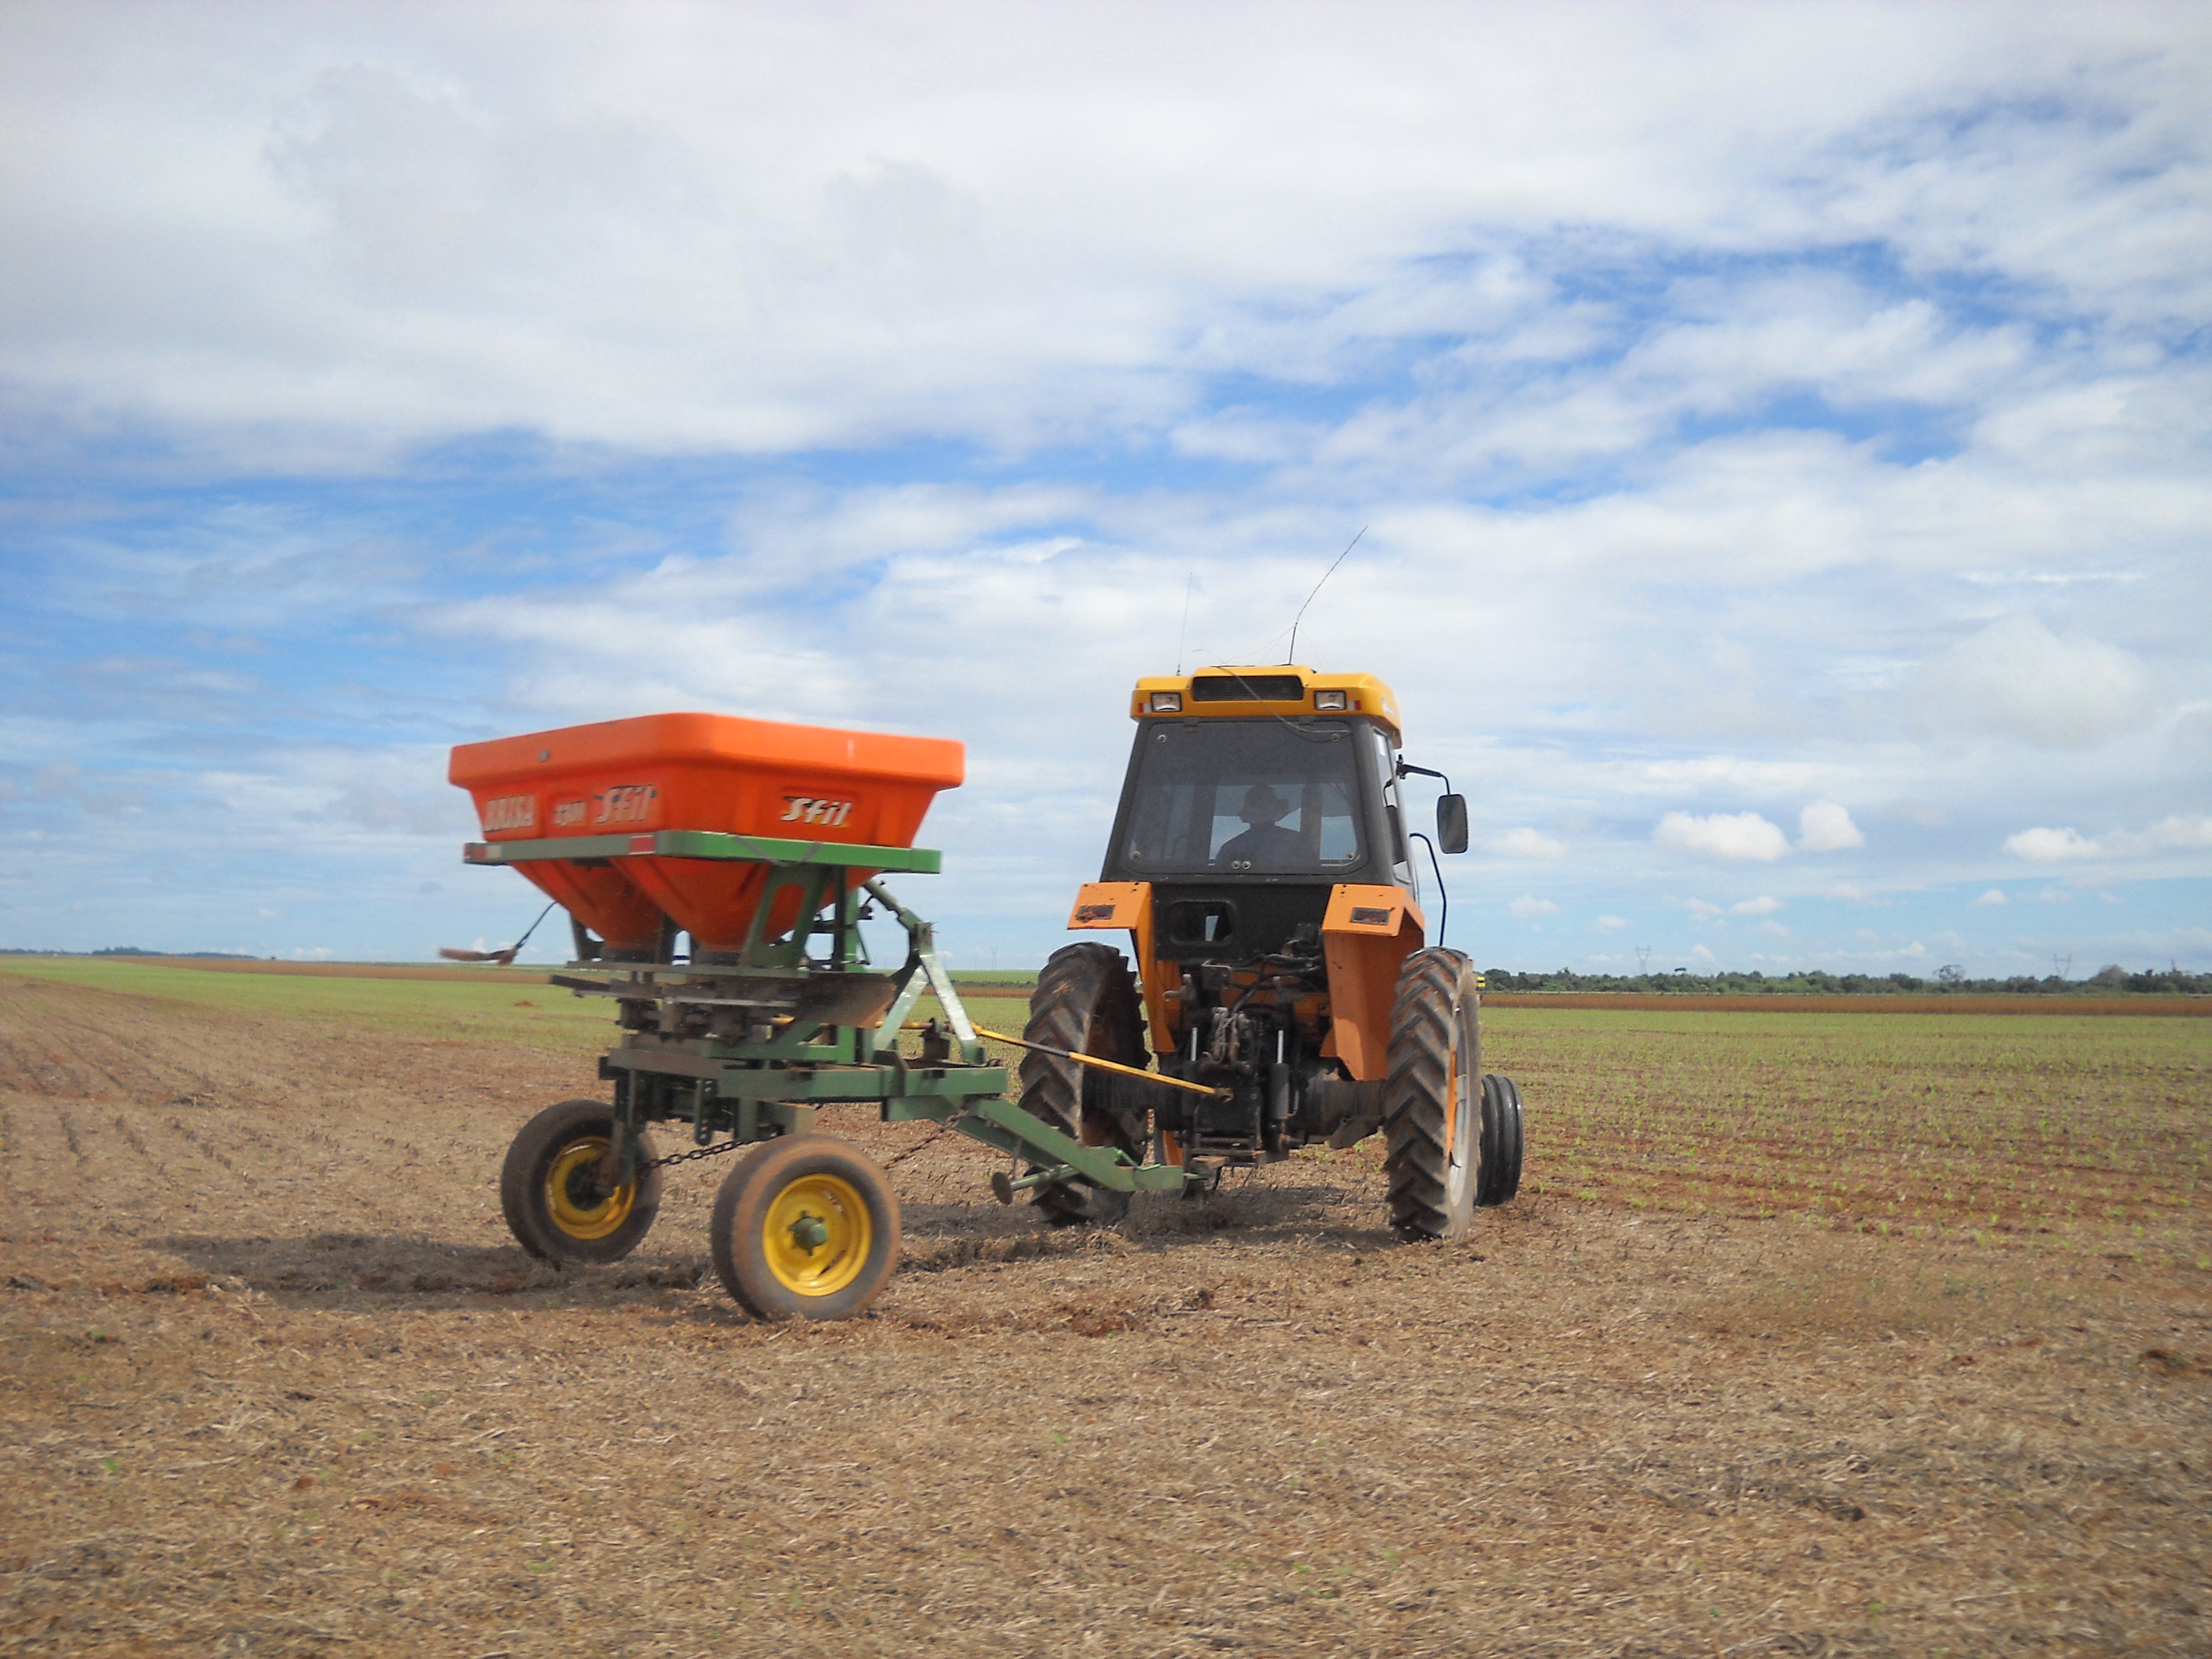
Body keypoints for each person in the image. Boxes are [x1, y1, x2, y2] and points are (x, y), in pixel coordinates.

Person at [1215, 783, 1306, 869]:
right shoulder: (1295, 841)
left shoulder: (1231, 847)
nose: (1261, 809)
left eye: (1264, 805)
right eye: (1257, 805)